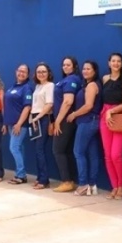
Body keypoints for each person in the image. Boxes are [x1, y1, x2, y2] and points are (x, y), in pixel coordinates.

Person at [67, 60, 103, 196]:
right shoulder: (89, 85)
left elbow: (88, 106)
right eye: (84, 68)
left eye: (88, 69)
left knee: (78, 152)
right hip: (92, 122)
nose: (85, 71)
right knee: (92, 154)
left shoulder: (92, 85)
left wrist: (74, 114)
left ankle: (83, 184)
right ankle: (92, 185)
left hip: (87, 121)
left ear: (94, 71)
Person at [100, 53, 122, 199]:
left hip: (118, 116)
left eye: (119, 61)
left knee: (116, 155)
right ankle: (114, 186)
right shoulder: (105, 79)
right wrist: (106, 112)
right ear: (109, 63)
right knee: (107, 156)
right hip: (104, 117)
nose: (116, 63)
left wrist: (111, 111)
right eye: (113, 61)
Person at [52, 56, 80, 193]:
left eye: (68, 64)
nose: (65, 67)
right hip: (63, 120)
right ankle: (71, 181)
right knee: (66, 151)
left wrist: (58, 121)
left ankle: (66, 181)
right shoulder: (64, 80)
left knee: (58, 150)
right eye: (64, 64)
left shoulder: (72, 80)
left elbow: (68, 101)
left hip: (64, 121)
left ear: (74, 66)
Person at [4, 64, 33, 185]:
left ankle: (21, 175)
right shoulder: (12, 87)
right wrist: (5, 123)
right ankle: (20, 174)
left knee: (14, 147)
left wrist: (19, 123)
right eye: (20, 71)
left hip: (20, 125)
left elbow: (27, 107)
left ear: (28, 75)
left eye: (24, 72)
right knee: (19, 148)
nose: (21, 73)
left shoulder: (27, 88)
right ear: (16, 72)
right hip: (11, 124)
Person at [29, 62, 54, 190]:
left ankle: (44, 180)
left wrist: (38, 118)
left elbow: (49, 104)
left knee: (40, 150)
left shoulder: (50, 86)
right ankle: (40, 177)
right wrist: (32, 118)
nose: (41, 74)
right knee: (38, 150)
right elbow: (34, 105)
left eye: (44, 71)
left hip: (43, 118)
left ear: (48, 73)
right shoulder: (38, 86)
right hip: (35, 118)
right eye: (39, 72)